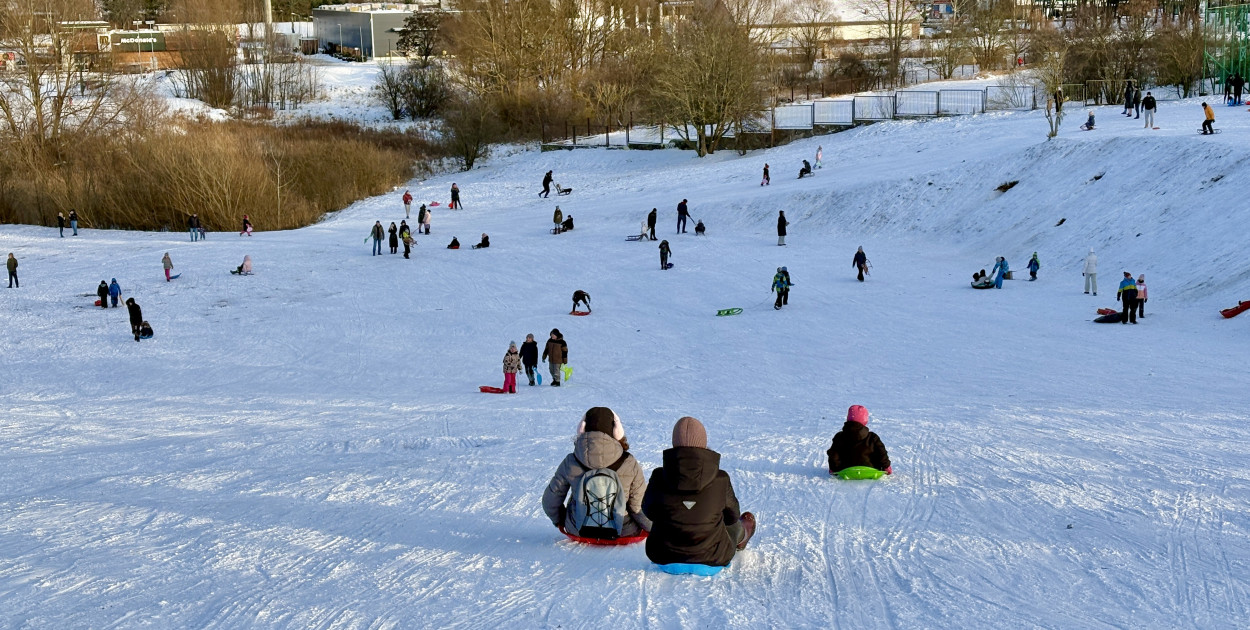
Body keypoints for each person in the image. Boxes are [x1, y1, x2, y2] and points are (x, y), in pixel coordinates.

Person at [642, 416, 756, 568]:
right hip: (715, 556)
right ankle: (743, 535)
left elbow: (649, 512)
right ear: (703, 442)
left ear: (674, 442)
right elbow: (732, 516)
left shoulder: (658, 477)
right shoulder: (721, 479)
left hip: (663, 554)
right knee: (733, 526)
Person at [543, 407, 651, 540]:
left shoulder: (571, 461)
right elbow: (638, 506)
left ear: (582, 430)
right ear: (617, 432)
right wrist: (652, 528)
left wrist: (561, 521)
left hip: (578, 529)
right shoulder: (629, 462)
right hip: (623, 532)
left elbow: (550, 500)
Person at [827, 405, 893, 476]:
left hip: (847, 471)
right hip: (870, 470)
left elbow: (834, 455)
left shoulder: (839, 437)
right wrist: (886, 467)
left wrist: (834, 469)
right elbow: (881, 453)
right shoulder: (872, 437)